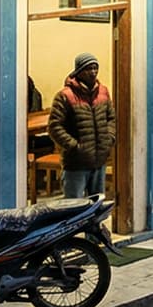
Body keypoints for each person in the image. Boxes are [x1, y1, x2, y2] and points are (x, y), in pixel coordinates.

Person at [48, 53, 115, 199]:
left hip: (99, 160)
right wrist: (74, 146)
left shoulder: (103, 92)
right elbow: (54, 127)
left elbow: (111, 118)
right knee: (74, 205)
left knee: (98, 203)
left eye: (95, 68)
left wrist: (109, 138)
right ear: (79, 71)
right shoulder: (65, 95)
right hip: (76, 163)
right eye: (88, 68)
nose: (93, 72)